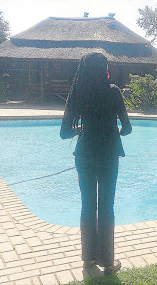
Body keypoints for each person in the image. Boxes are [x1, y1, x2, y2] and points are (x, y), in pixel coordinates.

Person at [60, 52, 132, 275]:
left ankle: (88, 260)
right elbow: (127, 128)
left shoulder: (78, 93)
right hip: (109, 154)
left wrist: (83, 129)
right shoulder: (113, 92)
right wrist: (114, 131)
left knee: (87, 206)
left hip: (85, 154)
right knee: (106, 208)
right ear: (105, 69)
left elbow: (64, 133)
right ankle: (108, 262)